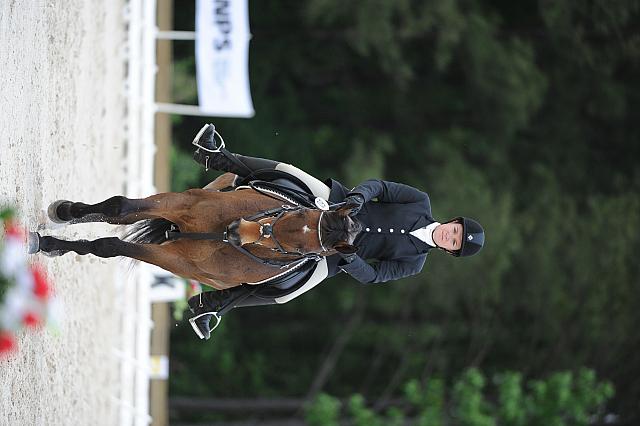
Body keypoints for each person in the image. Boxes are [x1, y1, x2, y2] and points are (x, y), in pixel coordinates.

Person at [187, 124, 485, 339]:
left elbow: (375, 276)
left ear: (450, 250)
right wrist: (358, 198)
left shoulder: (415, 262)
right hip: (333, 206)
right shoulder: (420, 201)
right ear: (453, 222)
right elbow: (380, 187)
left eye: (455, 242)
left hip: (330, 255)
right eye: (455, 230)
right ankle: (217, 156)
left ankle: (215, 305)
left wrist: (350, 257)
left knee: (286, 293)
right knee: (291, 172)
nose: (451, 236)